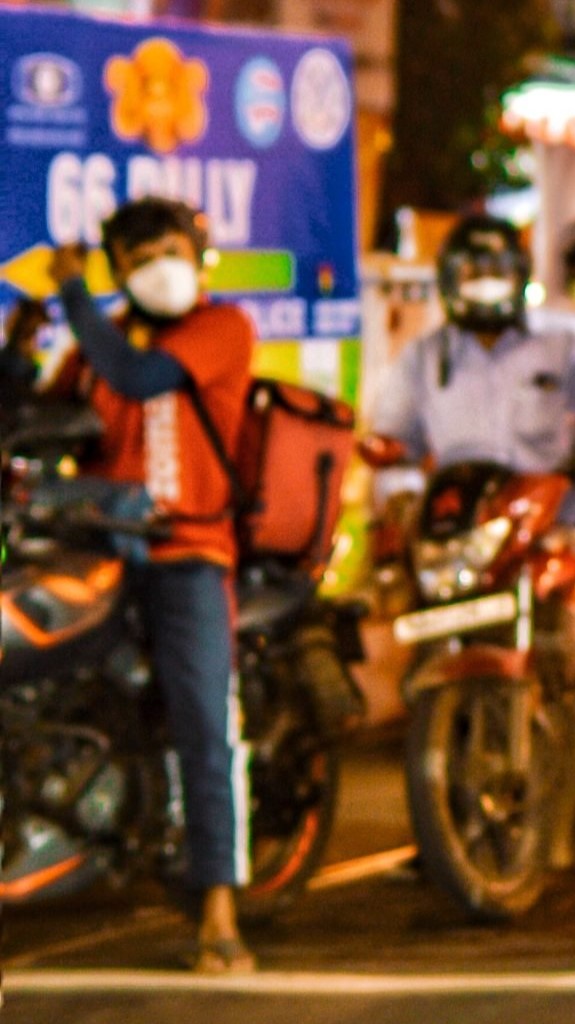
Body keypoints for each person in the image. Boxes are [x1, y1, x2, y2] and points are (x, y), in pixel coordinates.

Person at [47, 198, 257, 973]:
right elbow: (48, 410)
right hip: (101, 558)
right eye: (136, 260)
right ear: (121, 273)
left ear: (197, 255)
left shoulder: (220, 328)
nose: (157, 269)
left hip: (187, 555)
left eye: (168, 251)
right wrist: (19, 343)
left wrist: (72, 293)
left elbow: (139, 378)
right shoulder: (102, 344)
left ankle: (220, 911)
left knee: (204, 724)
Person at [369, 215, 575, 618]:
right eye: (472, 274)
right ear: (449, 279)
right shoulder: (423, 357)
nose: (485, 284)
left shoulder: (570, 340)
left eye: (496, 273)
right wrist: (402, 501)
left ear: (520, 273)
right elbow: (393, 442)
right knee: (393, 605)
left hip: (559, 504)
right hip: (463, 527)